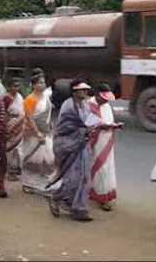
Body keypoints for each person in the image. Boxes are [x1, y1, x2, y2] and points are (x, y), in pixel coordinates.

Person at [49, 78, 101, 222]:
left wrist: (95, 127)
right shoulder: (68, 106)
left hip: (81, 145)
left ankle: (79, 209)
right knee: (72, 178)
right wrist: (84, 128)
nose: (85, 92)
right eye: (82, 90)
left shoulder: (85, 105)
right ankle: (57, 197)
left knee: (84, 177)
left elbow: (90, 122)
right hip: (68, 145)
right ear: (74, 91)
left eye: (85, 90)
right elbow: (65, 126)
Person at [88, 83, 123, 211]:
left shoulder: (106, 106)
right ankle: (100, 198)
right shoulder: (89, 105)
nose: (106, 101)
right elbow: (90, 124)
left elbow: (108, 121)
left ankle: (102, 194)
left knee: (106, 168)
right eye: (104, 98)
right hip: (94, 143)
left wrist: (114, 126)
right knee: (99, 169)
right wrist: (107, 126)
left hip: (107, 141)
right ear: (97, 95)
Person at [21, 75, 55, 193]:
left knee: (47, 158)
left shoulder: (46, 97)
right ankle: (28, 183)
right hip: (33, 134)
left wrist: (49, 125)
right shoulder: (30, 99)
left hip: (46, 132)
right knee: (32, 159)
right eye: (39, 83)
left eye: (43, 82)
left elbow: (48, 114)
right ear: (33, 85)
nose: (42, 84)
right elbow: (30, 118)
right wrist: (37, 133)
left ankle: (44, 181)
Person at [3, 78, 25, 181]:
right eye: (14, 86)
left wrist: (20, 122)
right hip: (9, 124)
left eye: (18, 86)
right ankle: (8, 171)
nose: (16, 88)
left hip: (19, 123)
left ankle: (17, 170)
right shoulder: (6, 98)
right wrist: (8, 126)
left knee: (18, 148)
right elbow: (4, 113)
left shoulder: (20, 97)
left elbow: (22, 111)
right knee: (9, 149)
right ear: (9, 87)